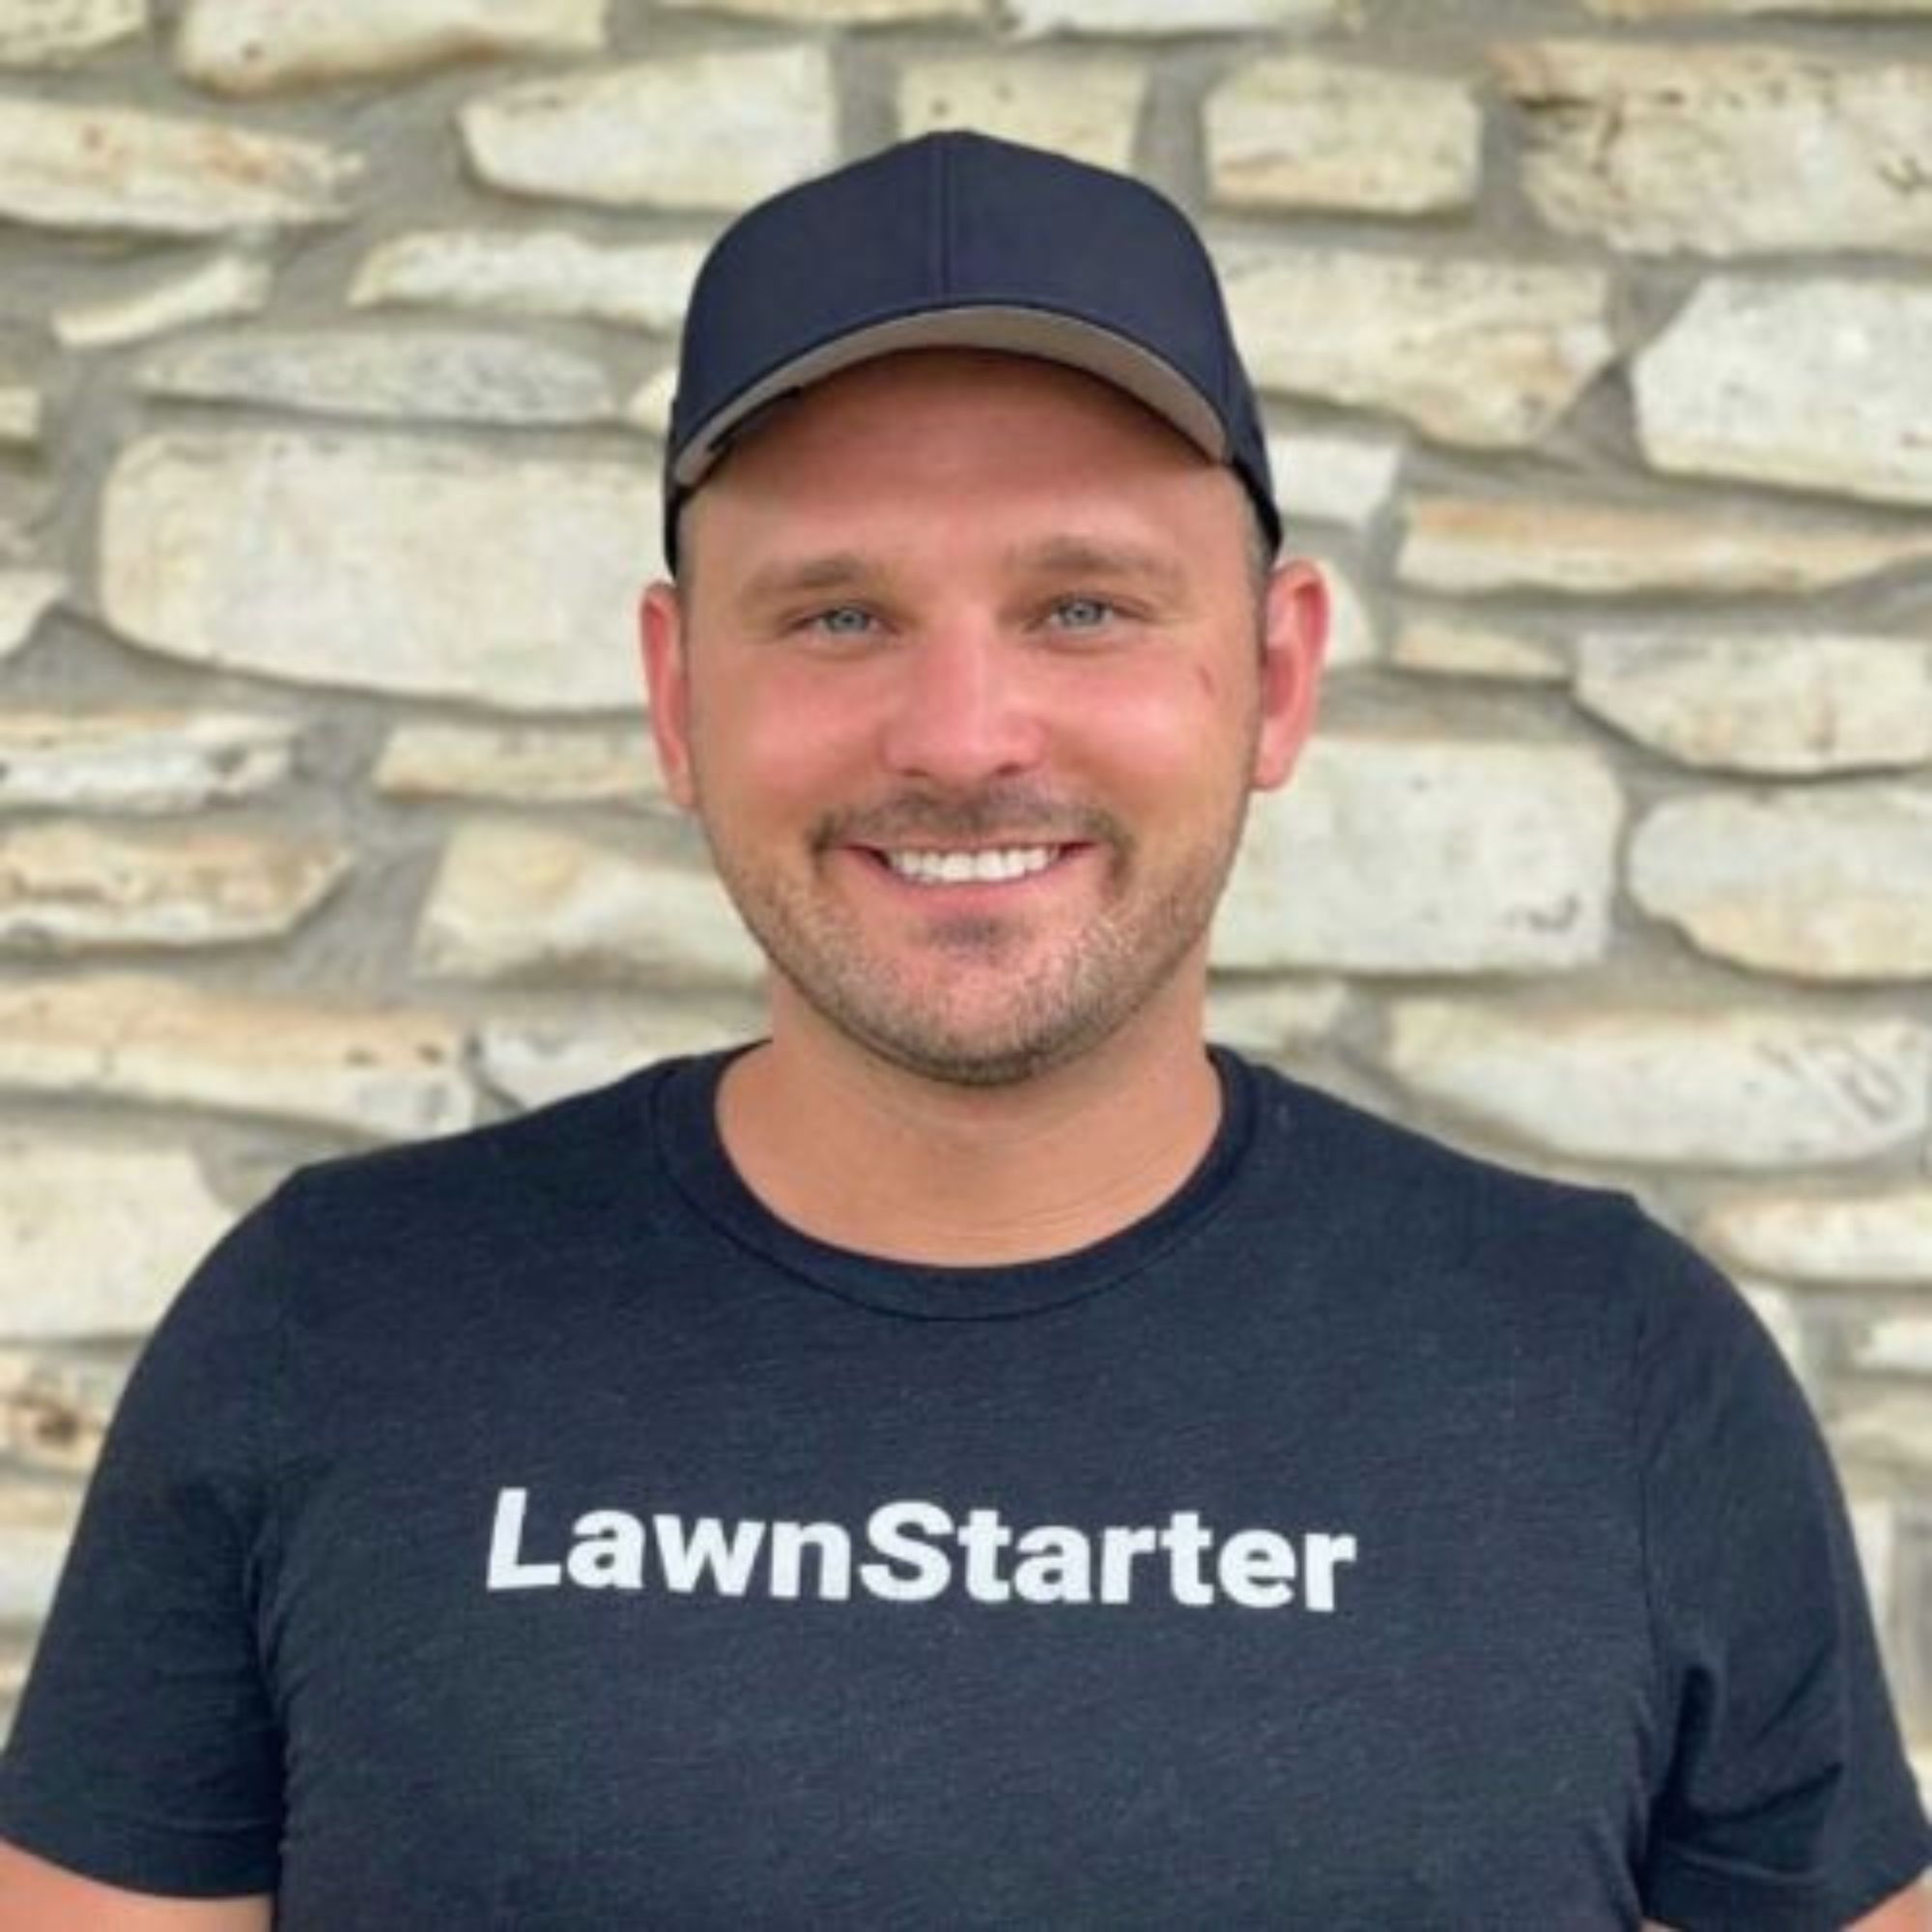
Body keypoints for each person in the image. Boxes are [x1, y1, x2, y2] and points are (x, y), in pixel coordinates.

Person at [0, 130, 1924, 1932]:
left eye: (1083, 606)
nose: (959, 734)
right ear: (677, 697)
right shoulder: (334, 1326)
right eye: (836, 617)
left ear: (1271, 674)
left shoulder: (1609, 1374)